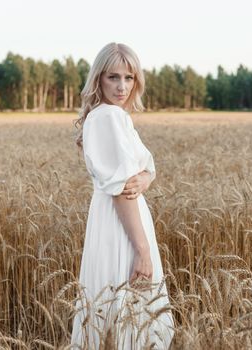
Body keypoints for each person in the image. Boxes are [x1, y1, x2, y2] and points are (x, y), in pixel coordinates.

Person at [70, 42, 174, 349]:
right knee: (132, 308)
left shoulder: (110, 116)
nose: (122, 86)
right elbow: (121, 191)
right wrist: (141, 250)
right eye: (113, 77)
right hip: (123, 225)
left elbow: (142, 172)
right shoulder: (109, 118)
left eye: (129, 78)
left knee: (113, 309)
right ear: (98, 79)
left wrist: (145, 176)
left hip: (112, 220)